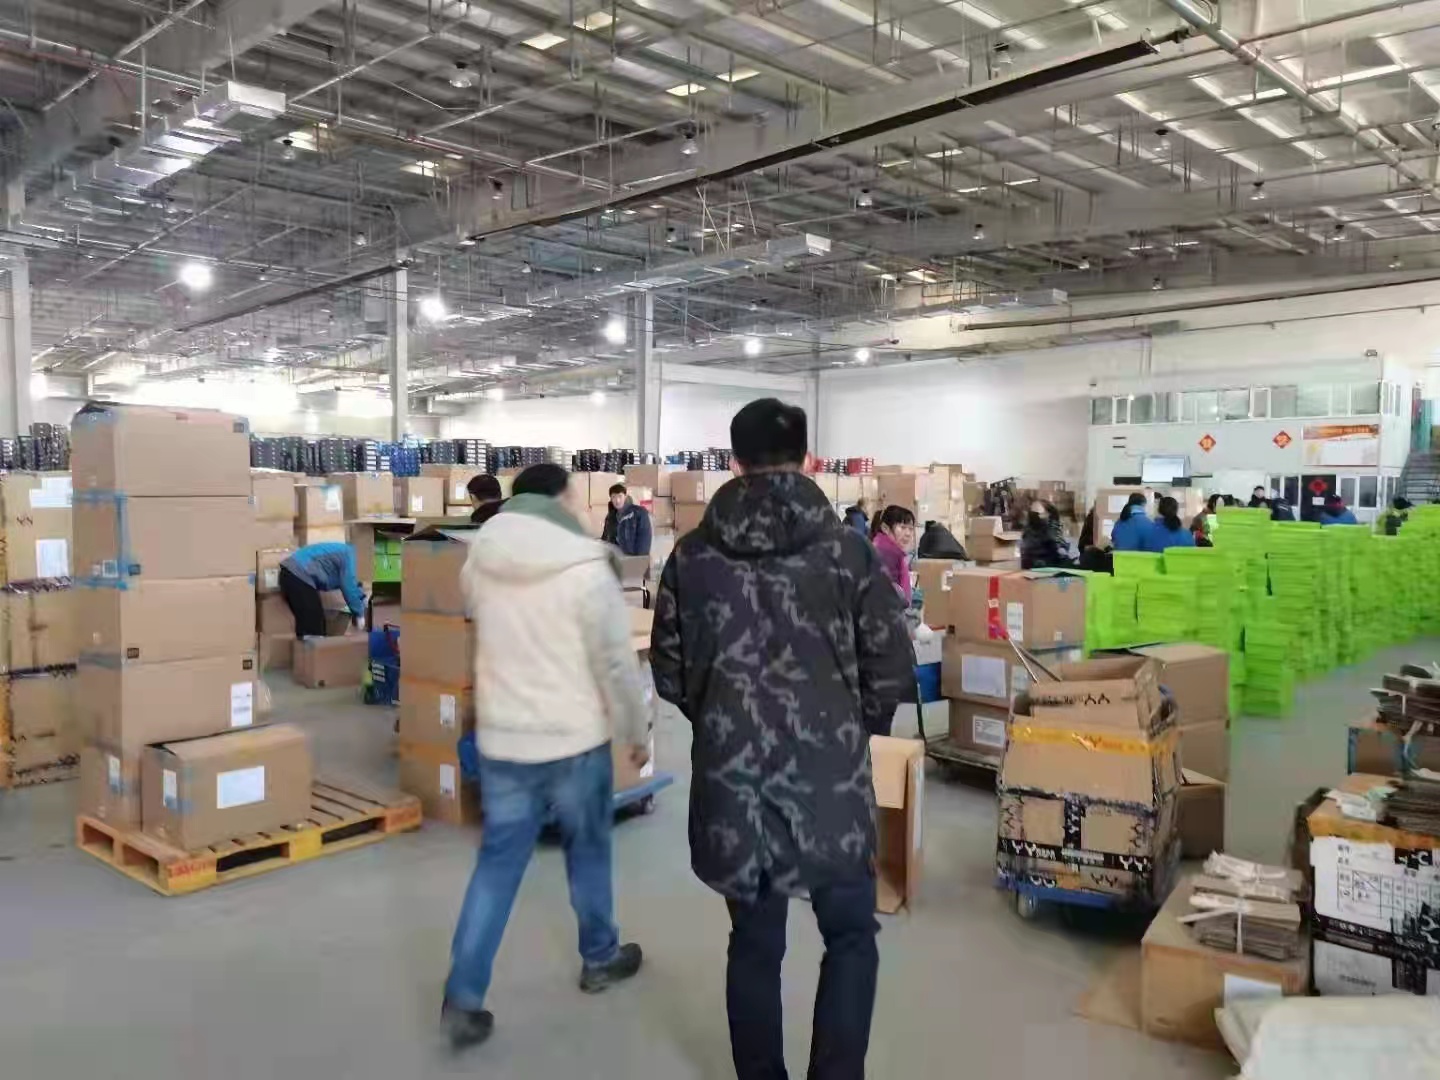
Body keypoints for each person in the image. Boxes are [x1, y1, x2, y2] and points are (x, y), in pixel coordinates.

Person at [650, 398, 914, 1080]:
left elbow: (670, 672)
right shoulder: (849, 552)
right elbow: (891, 667)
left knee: (754, 943)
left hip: (734, 788)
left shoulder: (692, 556)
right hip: (830, 787)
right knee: (850, 937)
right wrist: (845, 727)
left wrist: (727, 720)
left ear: (734, 462)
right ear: (808, 460)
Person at [441, 463, 651, 1051]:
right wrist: (633, 728)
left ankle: (462, 997)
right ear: (561, 500)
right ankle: (600, 956)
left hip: (504, 737)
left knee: (497, 865)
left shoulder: (480, 558)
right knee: (588, 851)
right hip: (572, 739)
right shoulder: (586, 566)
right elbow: (615, 661)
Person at [278, 542, 366, 638]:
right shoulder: (348, 555)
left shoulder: (343, 553)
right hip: (297, 575)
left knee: (310, 624)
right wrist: (359, 614)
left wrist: (361, 598)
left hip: (290, 575)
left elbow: (350, 585)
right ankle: (312, 646)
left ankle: (306, 646)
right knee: (313, 627)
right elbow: (349, 587)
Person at [871, 504, 917, 605]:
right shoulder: (886, 554)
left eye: (910, 529)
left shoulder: (891, 551)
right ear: (885, 528)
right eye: (902, 527)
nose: (908, 534)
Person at [599, 483, 653, 556]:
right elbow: (605, 539)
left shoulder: (639, 513)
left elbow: (644, 541)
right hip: (615, 559)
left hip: (632, 559)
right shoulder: (610, 517)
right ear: (611, 499)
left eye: (620, 496)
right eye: (614, 497)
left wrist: (640, 560)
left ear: (625, 496)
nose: (617, 500)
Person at [1020, 500, 1074, 569]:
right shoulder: (1046, 527)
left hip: (1032, 561)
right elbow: (1053, 542)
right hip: (1045, 561)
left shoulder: (1028, 529)